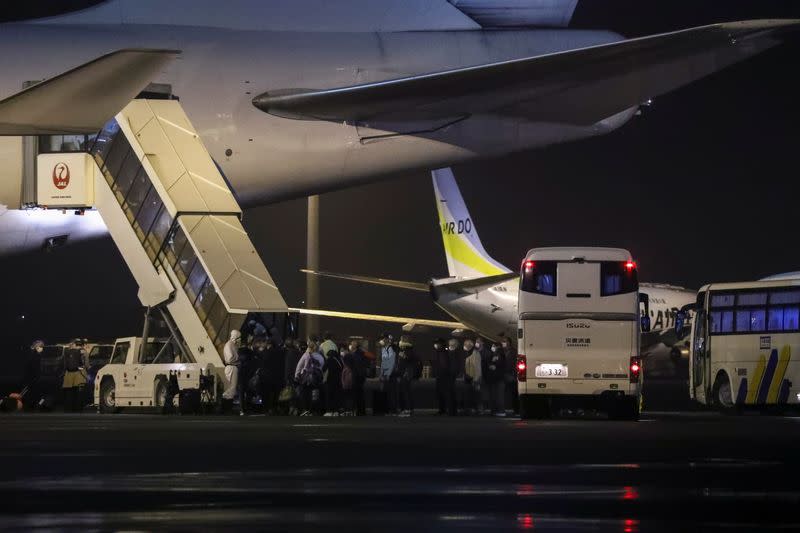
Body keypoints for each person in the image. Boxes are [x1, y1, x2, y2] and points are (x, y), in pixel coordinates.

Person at [294, 338, 324, 416]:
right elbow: (322, 367)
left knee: (305, 394)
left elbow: (300, 366)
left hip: (306, 378)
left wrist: (297, 375)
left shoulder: (306, 355)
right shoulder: (320, 356)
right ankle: (314, 410)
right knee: (315, 395)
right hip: (317, 378)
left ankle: (306, 409)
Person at [344, 340, 368, 416]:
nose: (351, 345)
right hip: (361, 376)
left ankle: (357, 410)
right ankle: (361, 411)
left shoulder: (354, 355)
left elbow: (349, 364)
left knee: (356, 394)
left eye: (352, 344)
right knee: (360, 394)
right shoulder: (361, 353)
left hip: (356, 376)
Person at [62, 340, 87, 412]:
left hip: (68, 375)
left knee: (69, 393)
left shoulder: (66, 352)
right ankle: (78, 409)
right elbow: (84, 364)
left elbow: (64, 364)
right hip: (78, 375)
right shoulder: (81, 352)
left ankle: (68, 409)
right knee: (78, 394)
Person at [433, 338, 456, 416]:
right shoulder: (440, 352)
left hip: (443, 377)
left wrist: (440, 373)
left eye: (437, 343)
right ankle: (444, 410)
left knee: (445, 394)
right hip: (442, 376)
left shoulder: (442, 353)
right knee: (442, 394)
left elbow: (444, 365)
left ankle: (448, 411)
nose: (436, 345)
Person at [397, 335, 419, 417]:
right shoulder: (406, 350)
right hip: (405, 374)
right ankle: (407, 409)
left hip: (406, 375)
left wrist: (403, 356)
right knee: (405, 392)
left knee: (406, 393)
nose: (400, 341)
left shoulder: (407, 351)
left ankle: (408, 410)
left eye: (401, 340)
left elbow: (407, 361)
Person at [378, 332, 399, 415]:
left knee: (391, 393)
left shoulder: (390, 348)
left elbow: (391, 362)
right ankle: (389, 409)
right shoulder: (384, 348)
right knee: (387, 392)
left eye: (383, 338)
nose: (382, 340)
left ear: (387, 339)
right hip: (387, 374)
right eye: (381, 338)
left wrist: (387, 374)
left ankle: (393, 410)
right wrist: (381, 374)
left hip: (390, 375)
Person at [222, 329, 242, 414]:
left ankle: (227, 407)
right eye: (239, 337)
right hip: (232, 367)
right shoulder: (229, 345)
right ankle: (225, 406)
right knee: (232, 388)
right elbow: (230, 359)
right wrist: (238, 359)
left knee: (232, 388)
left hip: (233, 367)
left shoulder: (232, 345)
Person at [486, 340, 507, 416]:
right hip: (497, 377)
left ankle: (501, 411)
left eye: (493, 346)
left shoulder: (498, 354)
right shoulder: (497, 353)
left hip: (497, 377)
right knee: (497, 395)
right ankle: (497, 410)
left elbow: (497, 364)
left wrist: (493, 366)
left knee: (499, 395)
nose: (492, 347)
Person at [322, 343, 344, 416]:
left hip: (330, 380)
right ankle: (336, 411)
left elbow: (323, 368)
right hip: (338, 380)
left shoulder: (329, 359)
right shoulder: (339, 360)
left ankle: (329, 411)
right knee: (336, 396)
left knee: (329, 395)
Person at [463, 337, 483, 415]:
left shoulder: (475, 354)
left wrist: (476, 379)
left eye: (465, 345)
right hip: (468, 378)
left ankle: (478, 410)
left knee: (477, 395)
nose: (464, 346)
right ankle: (471, 409)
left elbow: (477, 368)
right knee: (470, 395)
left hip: (474, 379)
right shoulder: (468, 353)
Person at [283, 338, 302, 414]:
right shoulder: (299, 353)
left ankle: (292, 408)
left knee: (291, 393)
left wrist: (286, 377)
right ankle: (296, 408)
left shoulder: (289, 354)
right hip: (298, 375)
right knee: (297, 393)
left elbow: (288, 367)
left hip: (291, 376)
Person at [501, 337, 519, 414]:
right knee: (504, 392)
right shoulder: (502, 351)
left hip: (511, 374)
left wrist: (514, 374)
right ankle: (506, 407)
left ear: (509, 342)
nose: (503, 343)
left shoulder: (514, 351)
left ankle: (516, 409)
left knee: (513, 392)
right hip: (503, 374)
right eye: (502, 341)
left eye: (505, 341)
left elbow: (515, 363)